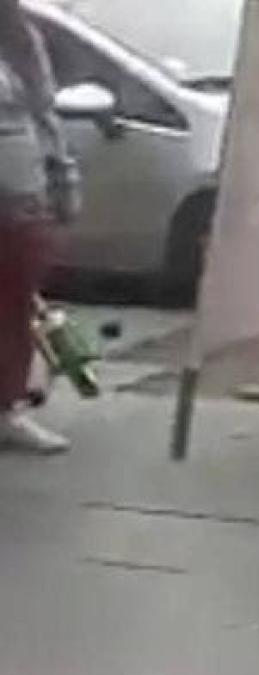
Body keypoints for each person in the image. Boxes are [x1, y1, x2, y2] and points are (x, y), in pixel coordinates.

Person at [0, 0, 78, 454]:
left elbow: (44, 112)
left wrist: (64, 180)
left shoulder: (17, 36)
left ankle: (6, 408)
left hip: (19, 197)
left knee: (13, 309)